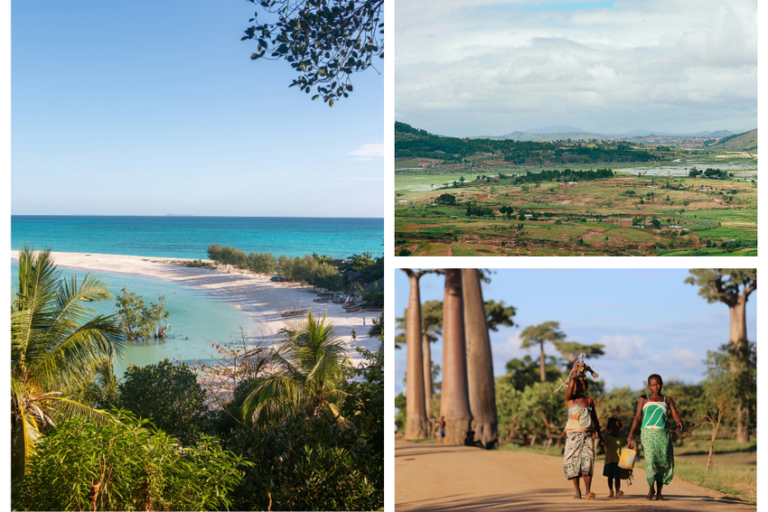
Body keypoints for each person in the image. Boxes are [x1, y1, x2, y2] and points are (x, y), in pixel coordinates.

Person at [627, 374, 684, 501]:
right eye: (653, 385)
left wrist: (679, 421)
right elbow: (637, 417)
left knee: (662, 463)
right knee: (651, 460)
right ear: (649, 386)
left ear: (662, 384)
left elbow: (674, 412)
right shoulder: (644, 399)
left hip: (663, 435)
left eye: (658, 384)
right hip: (647, 434)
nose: (656, 387)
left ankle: (659, 493)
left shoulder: (667, 399)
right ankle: (651, 488)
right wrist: (631, 433)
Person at [564, 373, 604, 499]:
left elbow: (595, 420)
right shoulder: (570, 399)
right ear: (574, 385)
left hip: (587, 436)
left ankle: (588, 491)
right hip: (573, 437)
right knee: (574, 464)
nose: (580, 386)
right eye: (578, 384)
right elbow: (569, 389)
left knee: (588, 462)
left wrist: (600, 436)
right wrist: (575, 373)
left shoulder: (589, 401)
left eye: (583, 384)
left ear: (586, 387)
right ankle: (577, 491)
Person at [602, 417, 625, 499]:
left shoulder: (620, 438)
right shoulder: (606, 437)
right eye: (613, 427)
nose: (615, 429)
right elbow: (603, 444)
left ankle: (618, 492)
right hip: (609, 461)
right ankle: (611, 491)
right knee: (610, 477)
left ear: (620, 428)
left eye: (617, 427)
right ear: (609, 428)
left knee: (617, 477)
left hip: (618, 461)